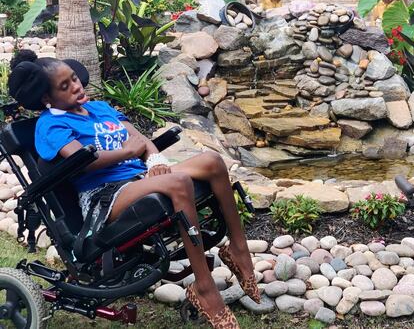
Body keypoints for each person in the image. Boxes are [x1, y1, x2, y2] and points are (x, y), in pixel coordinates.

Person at [8, 50, 258, 329]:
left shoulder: (101, 108)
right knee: (179, 182)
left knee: (212, 162)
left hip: (139, 177)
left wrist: (155, 161)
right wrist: (130, 150)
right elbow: (81, 161)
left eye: (75, 79)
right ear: (47, 98)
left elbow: (139, 138)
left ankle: (238, 250)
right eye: (64, 87)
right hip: (104, 196)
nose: (76, 87)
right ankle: (204, 288)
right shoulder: (51, 124)